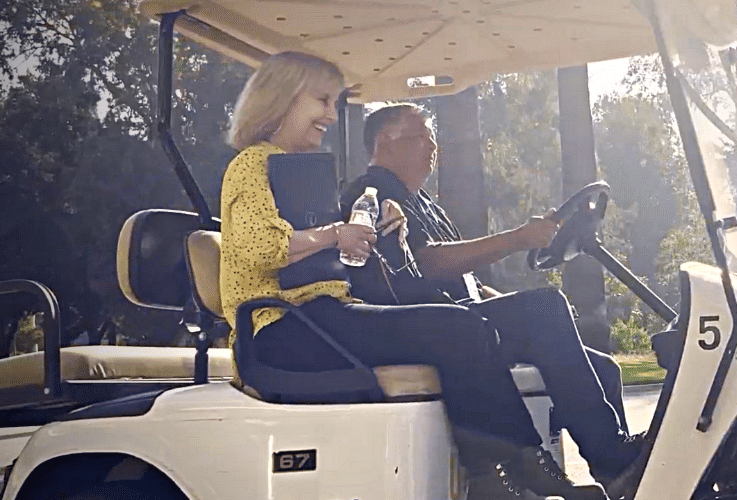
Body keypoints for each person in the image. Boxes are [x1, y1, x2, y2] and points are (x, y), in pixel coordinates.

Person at [217, 51, 617, 500]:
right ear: (284, 97)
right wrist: (337, 233)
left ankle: (505, 477)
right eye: (322, 100)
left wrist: (379, 228)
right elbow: (261, 246)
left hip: (322, 315)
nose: (330, 115)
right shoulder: (253, 164)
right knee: (456, 327)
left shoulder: (300, 171)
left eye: (334, 103)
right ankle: (514, 471)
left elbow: (332, 255)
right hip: (281, 327)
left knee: (461, 327)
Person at [341, 103, 641, 489]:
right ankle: (610, 455)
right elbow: (427, 264)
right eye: (422, 138)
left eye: (434, 139)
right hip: (430, 329)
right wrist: (518, 239)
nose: (433, 147)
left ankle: (621, 477)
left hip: (466, 316)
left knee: (604, 368)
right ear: (386, 140)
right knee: (546, 306)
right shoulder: (372, 193)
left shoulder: (425, 203)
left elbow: (461, 276)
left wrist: (498, 297)